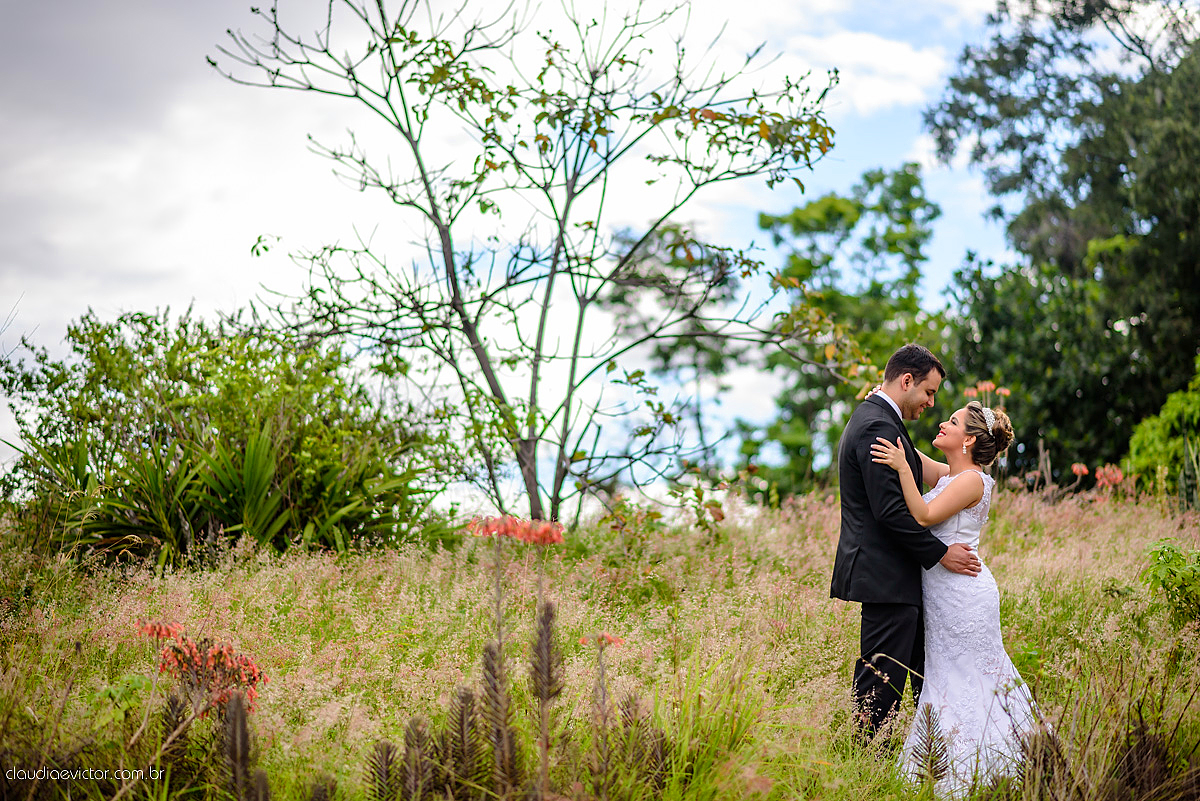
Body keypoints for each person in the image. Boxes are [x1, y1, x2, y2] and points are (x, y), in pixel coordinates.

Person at [871, 400, 1039, 794]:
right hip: (945, 594)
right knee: (950, 677)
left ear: (967, 440)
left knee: (970, 677)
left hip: (964, 596)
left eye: (953, 422)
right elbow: (913, 455)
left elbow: (924, 517)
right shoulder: (951, 474)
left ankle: (984, 766)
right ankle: (949, 763)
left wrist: (899, 469)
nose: (943, 423)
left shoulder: (972, 480)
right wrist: (883, 406)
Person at [830, 344, 982, 741]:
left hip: (899, 579)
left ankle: (932, 754)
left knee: (916, 677)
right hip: (886, 577)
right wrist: (941, 553)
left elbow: (944, 474)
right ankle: (864, 762)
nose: (931, 403)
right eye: (929, 393)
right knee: (880, 681)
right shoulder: (878, 425)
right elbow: (890, 511)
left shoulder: (878, 419)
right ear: (907, 380)